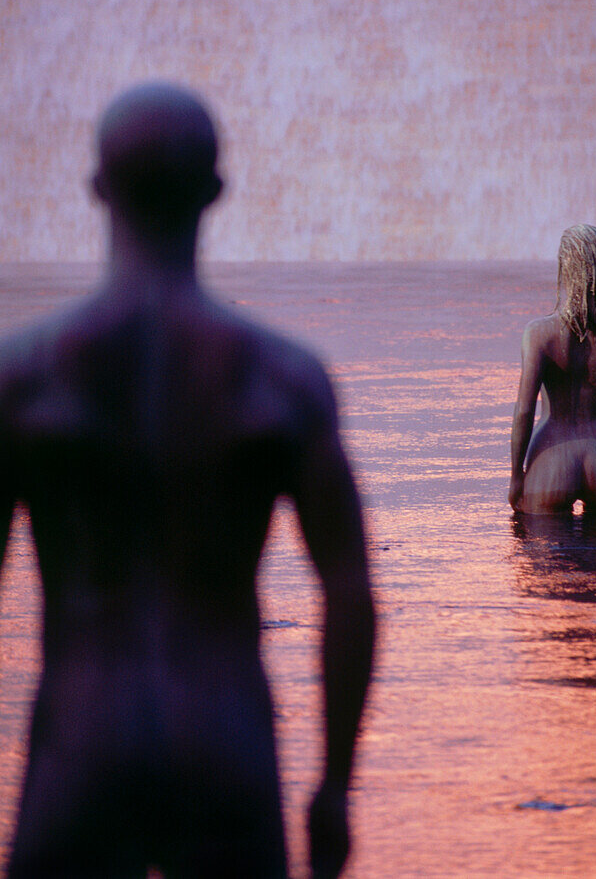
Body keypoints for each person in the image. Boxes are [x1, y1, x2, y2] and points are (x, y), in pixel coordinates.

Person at [0, 82, 376, 878]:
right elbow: (347, 587)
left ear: (98, 189)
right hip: (224, 741)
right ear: (215, 192)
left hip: (79, 741)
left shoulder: (26, 378)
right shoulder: (281, 379)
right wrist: (336, 786)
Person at [508, 224, 596, 516]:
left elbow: (524, 411)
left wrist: (515, 475)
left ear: (565, 268)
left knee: (542, 556)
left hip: (551, 459)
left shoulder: (539, 334)